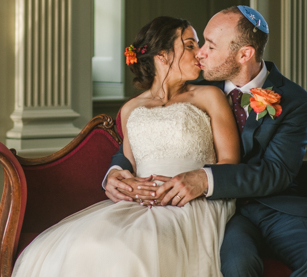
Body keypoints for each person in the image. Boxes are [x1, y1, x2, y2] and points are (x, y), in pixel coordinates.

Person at [105, 6, 307, 277]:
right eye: (200, 42)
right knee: (237, 266)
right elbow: (145, 136)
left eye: (211, 46)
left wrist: (205, 179)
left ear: (244, 54)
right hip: (223, 212)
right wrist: (115, 172)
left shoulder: (296, 102)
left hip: (277, 204)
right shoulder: (197, 86)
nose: (200, 53)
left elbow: (277, 172)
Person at [12, 16, 240, 277]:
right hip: (141, 204)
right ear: (162, 56)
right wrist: (122, 182)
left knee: (132, 250)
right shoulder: (131, 108)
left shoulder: (210, 97)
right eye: (189, 45)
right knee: (86, 244)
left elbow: (231, 162)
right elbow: (128, 165)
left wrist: (197, 182)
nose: (199, 53)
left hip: (192, 202)